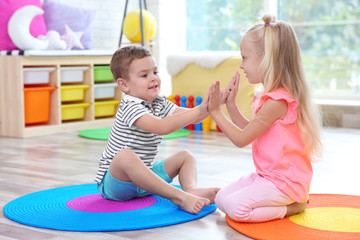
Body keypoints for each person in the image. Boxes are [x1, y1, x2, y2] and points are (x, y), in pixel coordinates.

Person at [207, 14, 322, 222]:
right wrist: (231, 105)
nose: (241, 65)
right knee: (222, 199)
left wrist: (216, 112)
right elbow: (250, 132)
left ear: (266, 59)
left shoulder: (278, 102)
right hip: (267, 177)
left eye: (244, 57)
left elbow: (242, 139)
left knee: (235, 208)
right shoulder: (268, 98)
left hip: (285, 183)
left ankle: (293, 207)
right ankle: (286, 202)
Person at [95, 46, 219, 214]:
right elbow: (161, 127)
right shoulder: (129, 106)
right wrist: (199, 109)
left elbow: (192, 117)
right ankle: (179, 196)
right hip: (116, 184)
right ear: (124, 85)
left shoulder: (160, 102)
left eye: (155, 72)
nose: (153, 78)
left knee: (185, 156)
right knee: (125, 156)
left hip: (144, 181)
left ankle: (191, 189)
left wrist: (212, 106)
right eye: (144, 75)